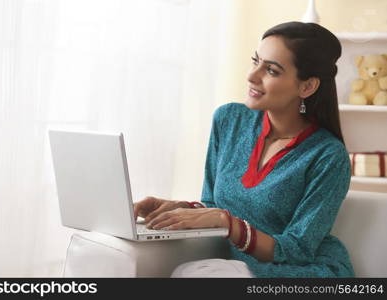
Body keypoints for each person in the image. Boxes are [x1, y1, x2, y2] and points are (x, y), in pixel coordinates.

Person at [133, 21, 354, 278]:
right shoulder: (228, 120)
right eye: (255, 61)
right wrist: (178, 208)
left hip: (303, 273)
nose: (252, 75)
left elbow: (298, 249)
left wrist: (228, 223)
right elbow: (213, 204)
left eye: (271, 70)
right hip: (234, 266)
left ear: (306, 87)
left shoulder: (328, 156)